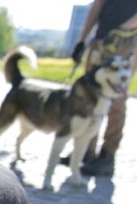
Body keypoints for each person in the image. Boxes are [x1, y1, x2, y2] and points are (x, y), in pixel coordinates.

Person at [68, 0, 137, 176]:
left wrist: (122, 28)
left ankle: (107, 156)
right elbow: (97, 5)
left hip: (126, 41)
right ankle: (84, 150)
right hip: (101, 39)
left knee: (116, 97)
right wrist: (82, 40)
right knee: (89, 94)